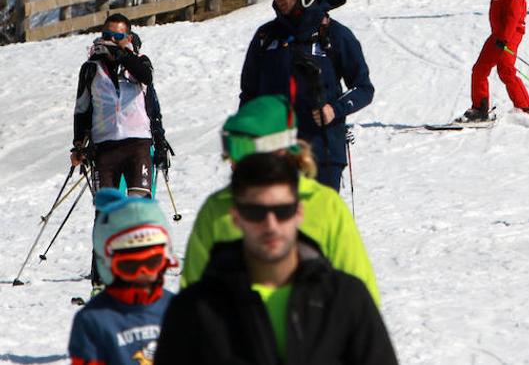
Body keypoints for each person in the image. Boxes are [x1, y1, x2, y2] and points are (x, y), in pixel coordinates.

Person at [156, 153, 398, 364]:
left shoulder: (345, 298)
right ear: (236, 217)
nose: (270, 225)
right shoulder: (196, 308)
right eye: (255, 212)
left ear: (299, 213)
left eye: (282, 211)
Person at [180, 95, 380, 304]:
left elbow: (361, 298)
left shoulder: (323, 206)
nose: (233, 163)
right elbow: (191, 299)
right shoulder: (218, 208)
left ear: (280, 150)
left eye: (243, 151)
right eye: (230, 152)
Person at [239, 0, 374, 191]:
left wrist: (335, 110)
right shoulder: (266, 37)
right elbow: (249, 95)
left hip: (322, 155)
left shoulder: (334, 36)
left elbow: (364, 89)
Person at [67, 189, 178, 365]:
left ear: (166, 258)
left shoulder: (179, 310)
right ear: (108, 264)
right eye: (130, 265)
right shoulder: (93, 320)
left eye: (152, 261)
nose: (142, 272)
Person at [72, 13, 170, 199]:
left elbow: (146, 78)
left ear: (128, 38)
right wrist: (78, 144)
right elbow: (82, 109)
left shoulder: (140, 61)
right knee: (107, 212)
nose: (111, 41)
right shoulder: (91, 67)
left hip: (138, 143)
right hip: (104, 145)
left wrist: (124, 55)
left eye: (117, 37)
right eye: (107, 36)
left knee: (139, 207)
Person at [458, 0, 529, 123]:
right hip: (499, 35)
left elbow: (514, 15)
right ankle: (480, 108)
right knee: (481, 69)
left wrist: (505, 38)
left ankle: (525, 109)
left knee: (505, 69)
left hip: (509, 34)